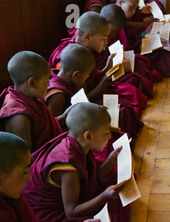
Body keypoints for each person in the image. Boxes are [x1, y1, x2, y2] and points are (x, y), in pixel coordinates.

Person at [22, 102, 130, 222]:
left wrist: (108, 163)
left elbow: (88, 176)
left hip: (67, 197)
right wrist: (104, 196)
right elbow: (71, 212)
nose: (109, 137)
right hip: (46, 213)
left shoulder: (73, 142)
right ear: (88, 136)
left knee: (116, 181)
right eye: (106, 133)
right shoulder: (68, 168)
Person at [48, 11, 143, 140]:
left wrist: (106, 69)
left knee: (126, 103)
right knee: (121, 112)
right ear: (88, 37)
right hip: (78, 123)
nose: (107, 42)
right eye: (104, 39)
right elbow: (60, 124)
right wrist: (104, 82)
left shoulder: (83, 52)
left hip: (84, 105)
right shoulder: (66, 61)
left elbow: (88, 80)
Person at [0, 52, 65, 153]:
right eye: (46, 81)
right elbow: (26, 159)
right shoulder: (19, 116)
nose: (49, 85)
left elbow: (41, 128)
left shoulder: (32, 97)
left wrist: (64, 117)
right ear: (32, 82)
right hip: (40, 163)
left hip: (51, 151)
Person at [46, 44, 96, 118]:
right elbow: (54, 124)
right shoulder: (57, 96)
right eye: (88, 75)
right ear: (76, 75)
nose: (88, 77)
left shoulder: (70, 80)